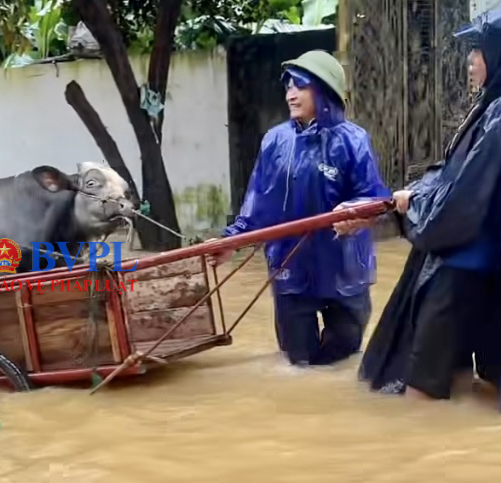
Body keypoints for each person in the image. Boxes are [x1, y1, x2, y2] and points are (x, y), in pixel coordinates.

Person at [350, 6, 501, 402]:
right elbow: (451, 173)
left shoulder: (498, 118)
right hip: (481, 271)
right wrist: (410, 197)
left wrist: (410, 207)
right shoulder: (489, 110)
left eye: (477, 51)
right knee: (469, 383)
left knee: (421, 391)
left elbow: (462, 201)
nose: (469, 61)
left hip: (459, 269)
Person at [211, 50, 390, 367]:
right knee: (298, 365)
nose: (291, 94)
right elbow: (258, 202)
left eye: (300, 86)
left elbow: (374, 198)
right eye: (288, 87)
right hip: (290, 269)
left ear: (323, 90)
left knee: (343, 361)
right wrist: (232, 241)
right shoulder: (275, 141)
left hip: (345, 271)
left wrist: (357, 211)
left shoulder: (353, 141)